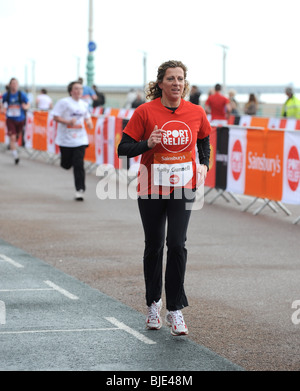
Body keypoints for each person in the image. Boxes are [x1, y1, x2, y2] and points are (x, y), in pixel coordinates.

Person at [118, 60, 211, 336]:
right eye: (170, 79)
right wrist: (147, 143)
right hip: (151, 187)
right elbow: (123, 149)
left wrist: (204, 163)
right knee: (155, 245)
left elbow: (204, 139)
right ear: (160, 84)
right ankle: (153, 304)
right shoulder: (145, 112)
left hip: (184, 186)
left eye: (180, 78)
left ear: (185, 83)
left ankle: (175, 310)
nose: (176, 83)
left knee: (177, 244)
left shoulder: (195, 112)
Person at [52, 81, 93, 201]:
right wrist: (67, 122)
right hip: (65, 139)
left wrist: (89, 123)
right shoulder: (64, 102)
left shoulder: (84, 104)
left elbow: (87, 117)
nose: (79, 91)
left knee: (79, 164)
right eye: (76, 88)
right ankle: (65, 162)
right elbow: (55, 116)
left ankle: (80, 190)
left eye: (80, 88)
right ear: (71, 91)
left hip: (80, 139)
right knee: (66, 165)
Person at [0, 78, 30, 164]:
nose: (14, 85)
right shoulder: (7, 95)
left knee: (17, 136)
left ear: (17, 85)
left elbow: (28, 103)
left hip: (20, 119)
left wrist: (26, 107)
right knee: (12, 137)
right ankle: (15, 155)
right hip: (10, 119)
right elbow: (2, 103)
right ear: (10, 85)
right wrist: (2, 108)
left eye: (15, 83)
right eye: (12, 83)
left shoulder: (21, 94)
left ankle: (13, 145)